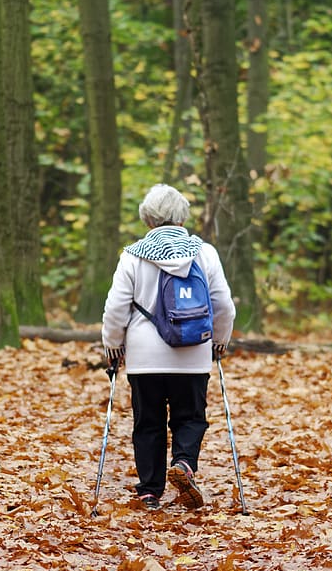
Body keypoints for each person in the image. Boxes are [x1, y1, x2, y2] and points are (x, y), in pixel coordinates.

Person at [101, 184, 236, 511]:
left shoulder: (133, 255)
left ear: (148, 219)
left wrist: (112, 346)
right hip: (193, 353)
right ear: (182, 216)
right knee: (190, 418)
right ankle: (185, 464)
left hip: (145, 358)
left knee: (147, 423)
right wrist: (219, 341)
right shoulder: (204, 253)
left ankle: (149, 492)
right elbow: (224, 306)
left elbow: (116, 308)